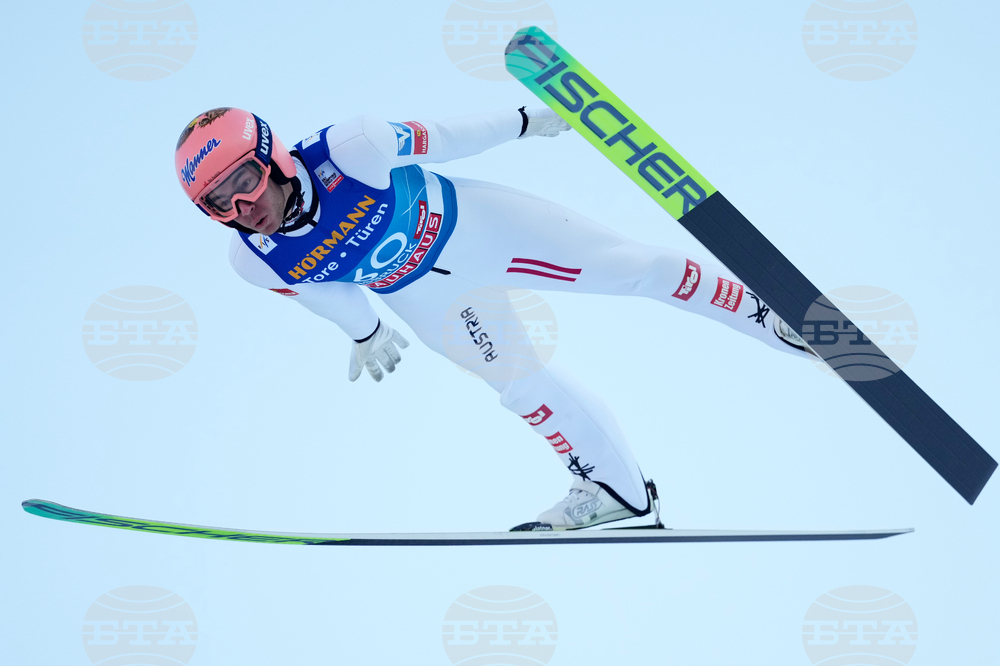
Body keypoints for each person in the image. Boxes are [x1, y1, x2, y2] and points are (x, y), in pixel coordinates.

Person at [174, 106, 814, 531]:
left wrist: (525, 119)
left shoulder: (353, 149)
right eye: (217, 203)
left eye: (246, 180)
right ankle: (618, 492)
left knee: (634, 267)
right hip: (427, 297)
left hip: (482, 229)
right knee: (522, 385)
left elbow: (446, 137)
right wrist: (363, 331)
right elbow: (318, 287)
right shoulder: (253, 260)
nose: (242, 206)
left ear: (275, 156)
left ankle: (779, 319)